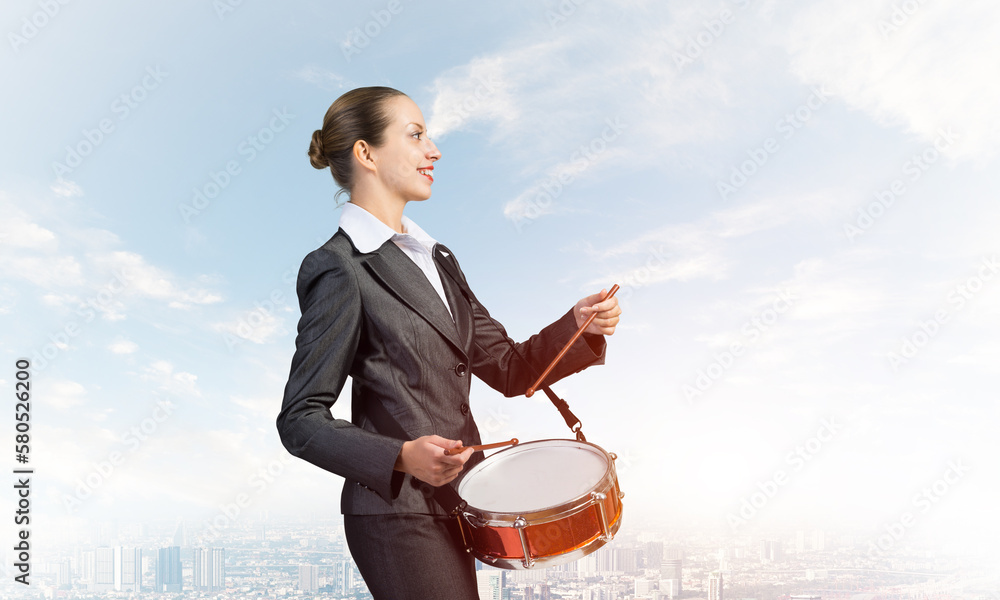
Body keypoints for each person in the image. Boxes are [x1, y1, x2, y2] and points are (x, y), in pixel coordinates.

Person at [275, 86, 621, 600]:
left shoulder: (437, 260)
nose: (433, 150)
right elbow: (300, 420)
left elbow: (510, 369)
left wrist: (578, 326)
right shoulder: (339, 267)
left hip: (456, 506)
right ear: (366, 153)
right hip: (394, 515)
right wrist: (400, 455)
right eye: (415, 135)